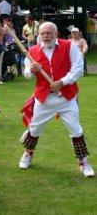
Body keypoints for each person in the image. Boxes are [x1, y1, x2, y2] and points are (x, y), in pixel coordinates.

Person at [18, 22, 94, 178]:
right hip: (44, 99)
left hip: (67, 98)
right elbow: (26, 73)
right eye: (43, 33)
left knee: (76, 129)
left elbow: (78, 69)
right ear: (39, 34)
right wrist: (31, 70)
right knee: (35, 128)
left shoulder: (69, 46)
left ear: (56, 33)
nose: (46, 36)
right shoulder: (32, 51)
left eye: (49, 33)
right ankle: (28, 153)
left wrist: (62, 82)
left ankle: (84, 162)